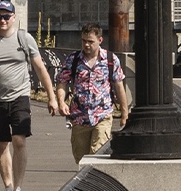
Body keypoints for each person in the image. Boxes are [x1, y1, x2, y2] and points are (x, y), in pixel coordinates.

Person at [0, 0, 57, 191]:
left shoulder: (24, 38)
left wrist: (52, 97)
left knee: (19, 140)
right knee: (1, 144)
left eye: (6, 16)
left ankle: (18, 189)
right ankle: (8, 188)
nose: (2, 20)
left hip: (20, 96)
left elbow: (40, 68)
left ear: (14, 18)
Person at [54, 23, 128, 163]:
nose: (86, 45)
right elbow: (62, 81)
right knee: (81, 160)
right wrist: (61, 102)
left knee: (97, 158)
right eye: (84, 41)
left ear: (100, 40)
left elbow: (119, 87)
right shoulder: (73, 59)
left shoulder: (111, 60)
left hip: (102, 116)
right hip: (79, 118)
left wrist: (125, 114)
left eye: (90, 41)